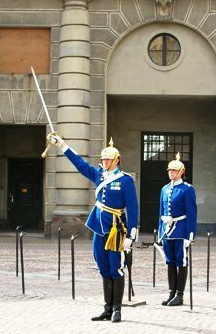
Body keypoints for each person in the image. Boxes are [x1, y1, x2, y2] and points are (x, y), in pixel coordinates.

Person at [48, 133, 139, 323]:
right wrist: (62, 144)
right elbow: (80, 164)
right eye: (103, 159)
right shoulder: (98, 175)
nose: (105, 162)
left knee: (117, 269)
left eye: (108, 159)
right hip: (99, 229)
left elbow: (133, 208)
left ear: (116, 160)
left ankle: (117, 309)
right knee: (104, 268)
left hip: (116, 230)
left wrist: (131, 235)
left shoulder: (125, 180)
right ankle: (107, 308)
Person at [158, 153, 197, 306]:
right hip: (167, 231)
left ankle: (179, 295)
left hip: (181, 230)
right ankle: (171, 292)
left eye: (174, 171)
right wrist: (161, 232)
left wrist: (190, 235)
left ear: (181, 172)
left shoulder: (187, 189)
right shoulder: (165, 189)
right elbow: (161, 212)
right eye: (169, 170)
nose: (171, 173)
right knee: (170, 262)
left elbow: (192, 213)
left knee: (181, 262)